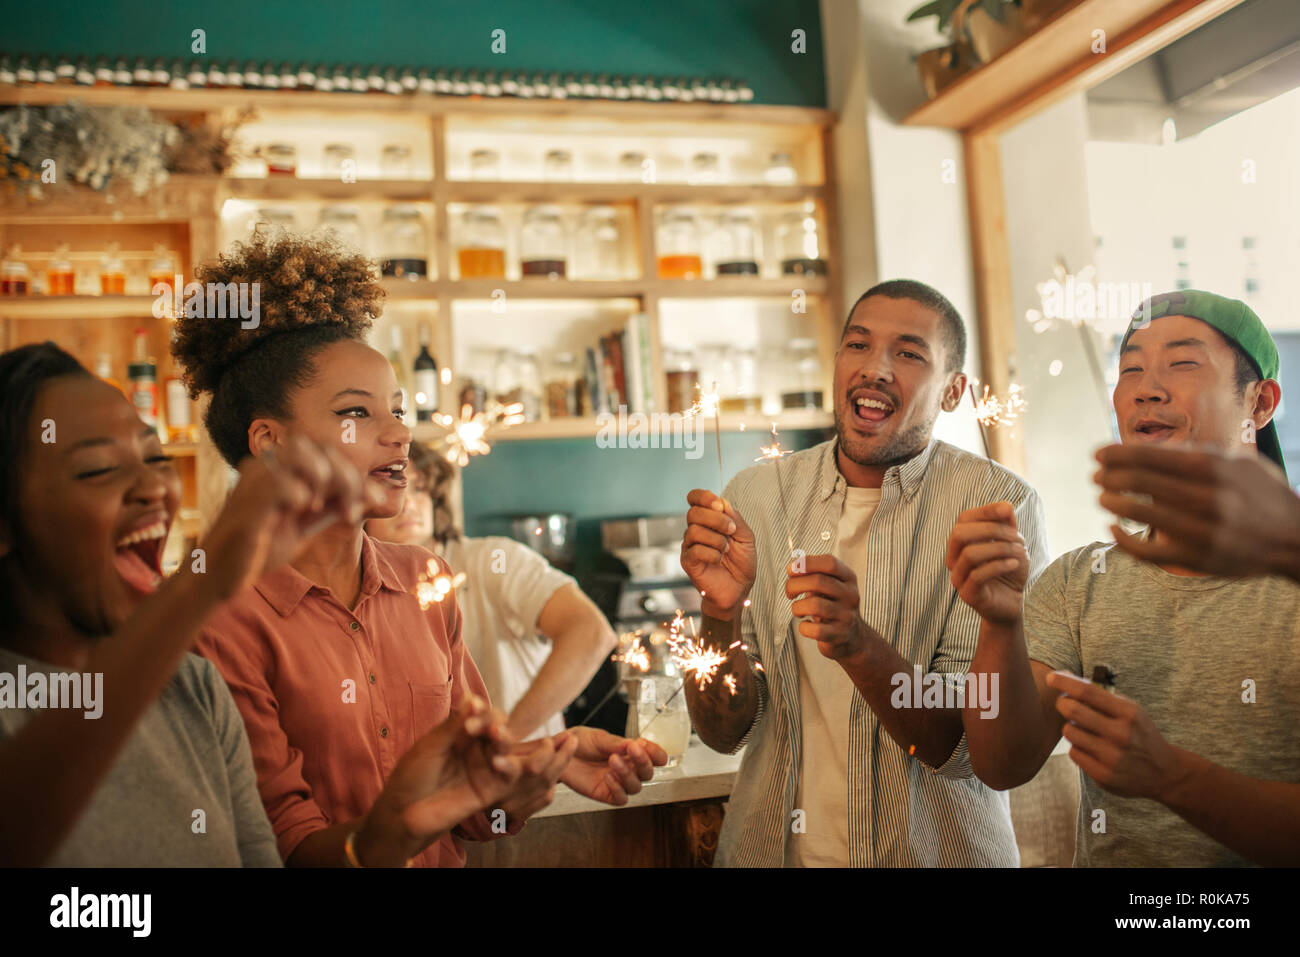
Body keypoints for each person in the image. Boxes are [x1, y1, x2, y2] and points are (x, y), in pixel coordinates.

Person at [174, 232, 664, 867]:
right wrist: (405, 825)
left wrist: (535, 772)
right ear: (269, 442)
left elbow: (475, 818)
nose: (400, 433)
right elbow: (286, 850)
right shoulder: (224, 619)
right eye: (358, 413)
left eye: (399, 411)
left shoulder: (426, 582)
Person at [0, 343, 524, 866]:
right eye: (95, 468)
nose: (151, 487)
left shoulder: (192, 689)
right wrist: (201, 586)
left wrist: (501, 786)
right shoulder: (203, 631)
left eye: (155, 457)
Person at [679, 279, 1049, 867]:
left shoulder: (997, 506)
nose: (874, 368)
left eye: (908, 353)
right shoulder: (756, 495)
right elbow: (726, 732)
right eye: (858, 345)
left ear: (952, 393)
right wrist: (719, 612)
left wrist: (856, 645)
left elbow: (960, 745)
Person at [949, 289, 1300, 865]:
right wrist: (999, 623)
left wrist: (1172, 777)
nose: (1146, 387)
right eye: (1129, 368)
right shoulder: (1077, 582)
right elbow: (1000, 764)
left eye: (1183, 363)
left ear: (1260, 403)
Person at [367, 444, 615, 740]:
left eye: (419, 489)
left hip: (526, 774)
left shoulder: (493, 560)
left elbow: (592, 633)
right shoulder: (361, 596)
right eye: (391, 490)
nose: (409, 504)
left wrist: (506, 739)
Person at [1093, 443, 1300, 583]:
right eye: (1131, 374)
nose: (1145, 391)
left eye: (1183, 373)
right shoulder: (1074, 578)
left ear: (1260, 403)